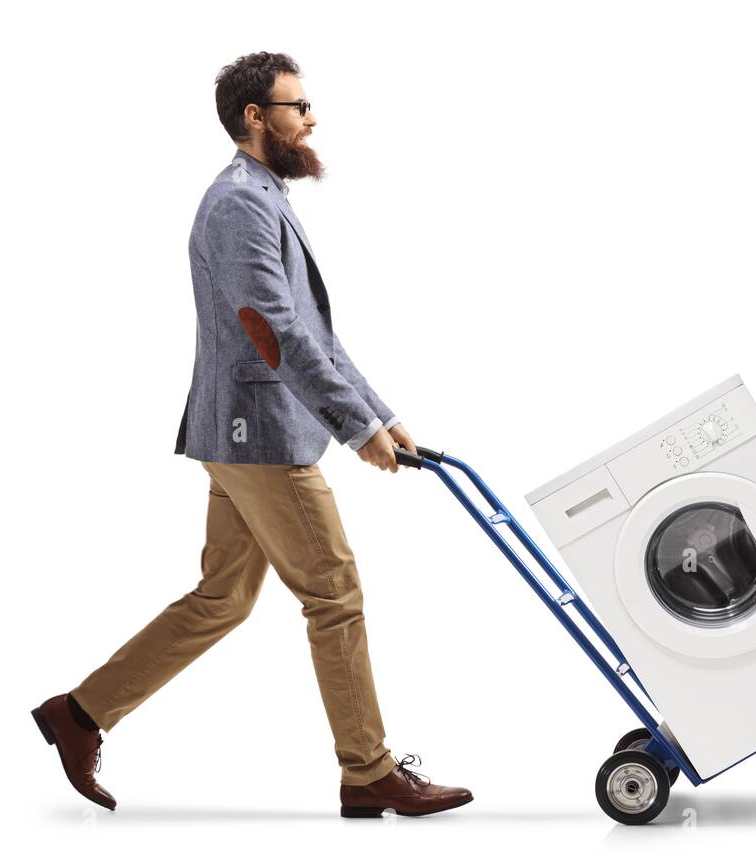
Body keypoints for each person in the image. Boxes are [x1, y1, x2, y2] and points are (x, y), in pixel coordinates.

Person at [31, 51, 472, 819]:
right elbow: (270, 329)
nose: (311, 118)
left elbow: (312, 330)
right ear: (255, 119)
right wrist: (352, 426)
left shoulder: (263, 195)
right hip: (259, 433)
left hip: (240, 433)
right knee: (333, 594)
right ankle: (367, 771)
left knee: (222, 598)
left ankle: (78, 713)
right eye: (297, 106)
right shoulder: (239, 202)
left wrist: (380, 412)